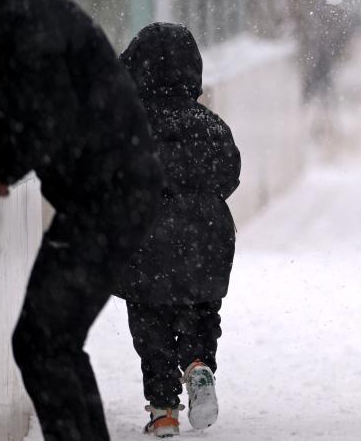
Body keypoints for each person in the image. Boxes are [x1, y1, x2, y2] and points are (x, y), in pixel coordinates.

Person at [0, 0, 162, 440]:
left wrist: (4, 166)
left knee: (42, 340)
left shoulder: (17, 13)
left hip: (108, 195)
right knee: (51, 340)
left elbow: (37, 108)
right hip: (110, 190)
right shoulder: (24, 3)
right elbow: (8, 103)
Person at [115, 23, 241, 437]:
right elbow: (229, 174)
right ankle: (198, 364)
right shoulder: (210, 124)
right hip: (204, 235)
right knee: (200, 312)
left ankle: (164, 411)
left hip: (144, 237)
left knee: (150, 323)